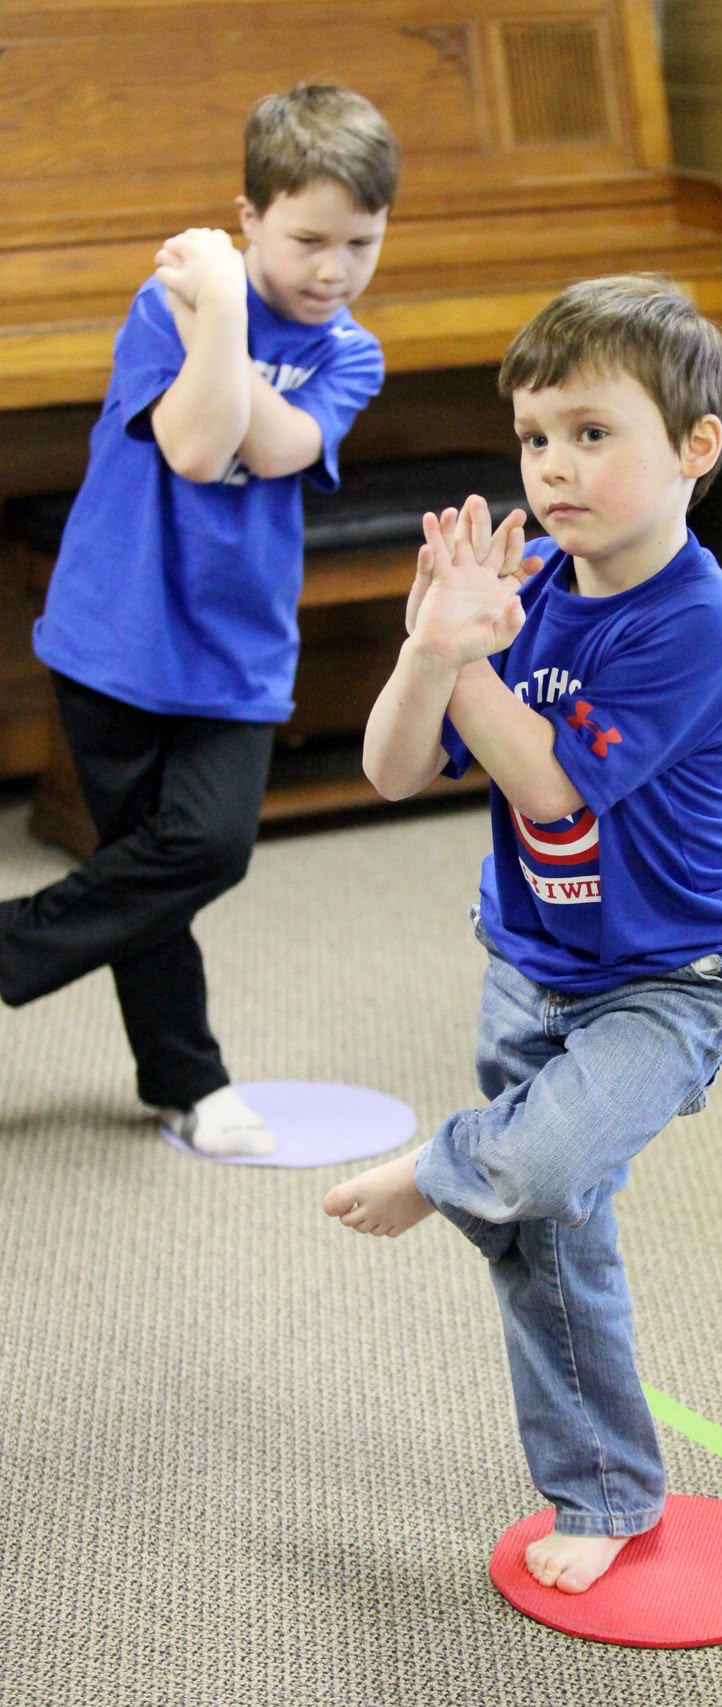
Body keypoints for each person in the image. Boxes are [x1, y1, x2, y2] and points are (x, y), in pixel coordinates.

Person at [322, 275, 722, 1592]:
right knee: (545, 1236)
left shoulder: (702, 619)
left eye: (594, 432)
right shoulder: (519, 581)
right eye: (536, 436)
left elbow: (550, 785)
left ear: (694, 447)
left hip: (679, 974)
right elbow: (391, 768)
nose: (555, 464)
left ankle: (439, 1164)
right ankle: (600, 1486)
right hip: (532, 968)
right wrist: (428, 651)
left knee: (524, 1167)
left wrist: (472, 657)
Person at [0, 84, 399, 1157]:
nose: (333, 270)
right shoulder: (157, 304)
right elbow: (188, 443)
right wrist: (221, 317)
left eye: (361, 243)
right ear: (249, 216)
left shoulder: (349, 352)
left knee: (206, 848)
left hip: (236, 651)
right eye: (308, 238)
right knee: (147, 867)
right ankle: (187, 1078)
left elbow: (258, 448)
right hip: (114, 635)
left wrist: (219, 315)